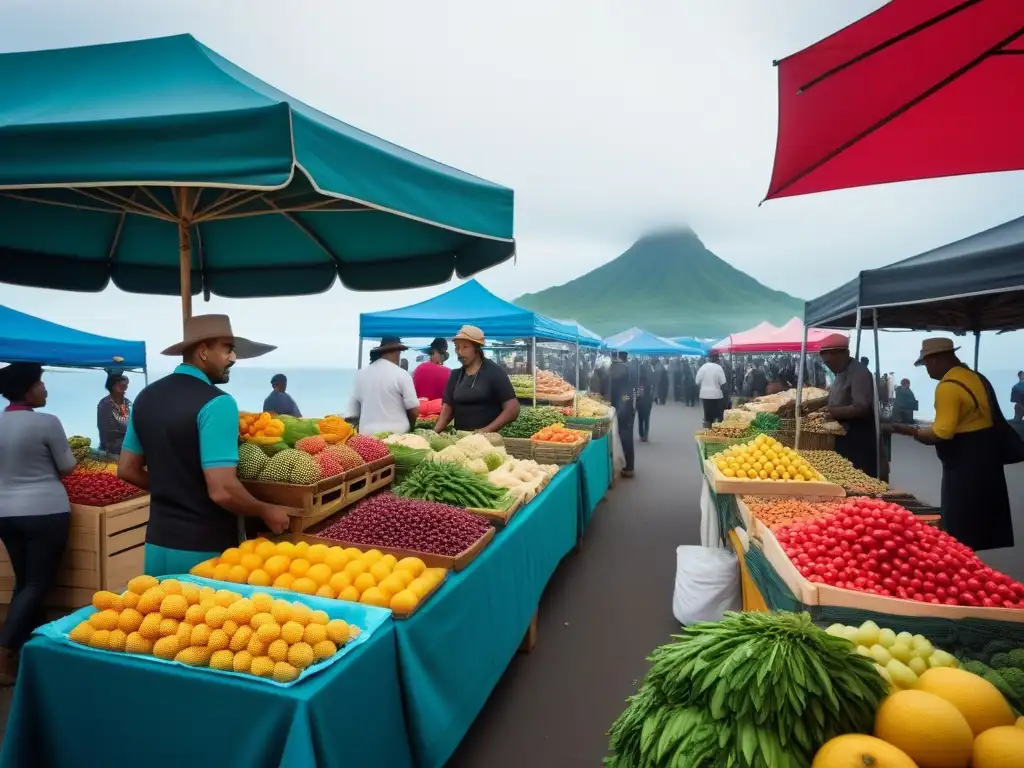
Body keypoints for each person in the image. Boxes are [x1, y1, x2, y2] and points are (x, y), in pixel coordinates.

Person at [117, 315, 293, 576]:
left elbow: (127, 469)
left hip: (157, 543)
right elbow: (222, 490)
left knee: (159, 615)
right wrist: (265, 510)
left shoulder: (144, 397)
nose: (233, 358)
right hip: (205, 549)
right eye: (227, 348)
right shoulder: (218, 403)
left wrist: (175, 489)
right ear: (202, 352)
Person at [889, 338, 1017, 551]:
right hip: (988, 462)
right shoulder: (976, 378)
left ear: (937, 360)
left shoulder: (947, 387)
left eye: (927, 364)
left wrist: (908, 430)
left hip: (965, 466)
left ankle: (965, 576)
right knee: (981, 527)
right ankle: (974, 572)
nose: (927, 370)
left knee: (960, 530)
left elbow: (941, 433)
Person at [0, 363, 77, 683]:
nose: (45, 389)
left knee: (25, 582)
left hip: (5, 513)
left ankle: (27, 649)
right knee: (36, 584)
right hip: (45, 510)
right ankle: (4, 654)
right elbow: (68, 465)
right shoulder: (47, 422)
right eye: (41, 384)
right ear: (28, 389)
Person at [434, 325, 519, 433]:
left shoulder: (494, 372)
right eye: (457, 347)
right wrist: (435, 432)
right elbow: (448, 407)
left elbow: (513, 409)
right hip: (460, 440)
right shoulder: (456, 375)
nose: (460, 352)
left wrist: (485, 431)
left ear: (477, 348)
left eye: (465, 347)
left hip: (487, 442)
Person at [818, 334, 880, 478]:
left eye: (831, 362)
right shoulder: (840, 373)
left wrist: (832, 412)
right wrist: (816, 403)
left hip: (858, 438)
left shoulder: (860, 373)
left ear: (844, 354)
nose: (830, 366)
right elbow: (838, 397)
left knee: (859, 478)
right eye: (826, 363)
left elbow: (861, 407)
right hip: (843, 436)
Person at [348, 337, 420, 436]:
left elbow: (354, 410)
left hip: (367, 436)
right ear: (398, 352)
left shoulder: (361, 374)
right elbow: (414, 410)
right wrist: (411, 428)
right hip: (397, 436)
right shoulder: (402, 374)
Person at [606, 351, 636, 477]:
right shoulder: (629, 367)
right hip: (627, 403)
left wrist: (620, 407)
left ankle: (628, 466)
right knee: (626, 435)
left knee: (624, 435)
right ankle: (629, 465)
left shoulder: (615, 369)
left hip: (622, 405)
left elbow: (620, 392)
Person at [97, 370, 131, 454]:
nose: (123, 386)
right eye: (118, 383)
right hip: (112, 448)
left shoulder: (127, 403)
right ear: (112, 386)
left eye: (124, 384)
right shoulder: (104, 405)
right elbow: (104, 432)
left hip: (128, 444)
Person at [695, 352, 727, 428]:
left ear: (709, 358)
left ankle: (707, 431)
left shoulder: (703, 367)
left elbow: (697, 381)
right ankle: (717, 431)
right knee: (718, 415)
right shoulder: (719, 368)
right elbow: (723, 383)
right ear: (717, 359)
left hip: (705, 395)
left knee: (707, 416)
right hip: (716, 395)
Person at [636, 360, 654, 443]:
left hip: (640, 404)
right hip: (647, 403)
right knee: (647, 420)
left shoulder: (637, 382)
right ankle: (646, 435)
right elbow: (651, 393)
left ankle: (641, 435)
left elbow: (637, 394)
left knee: (640, 420)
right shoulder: (649, 382)